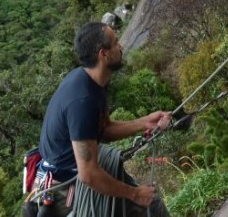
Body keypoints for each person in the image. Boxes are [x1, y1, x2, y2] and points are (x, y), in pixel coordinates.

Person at [26, 22, 172, 216]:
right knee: (151, 206)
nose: (121, 47)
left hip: (75, 173)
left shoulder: (92, 81)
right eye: (115, 43)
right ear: (103, 54)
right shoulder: (82, 100)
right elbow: (88, 174)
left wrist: (145, 122)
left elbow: (104, 130)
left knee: (150, 205)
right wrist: (135, 194)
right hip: (67, 187)